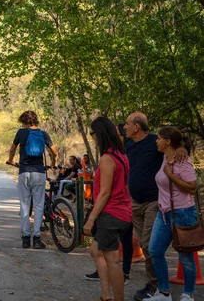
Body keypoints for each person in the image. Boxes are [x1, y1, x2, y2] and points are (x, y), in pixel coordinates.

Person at [124, 112, 188, 300]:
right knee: (145, 245)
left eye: (127, 124)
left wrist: (182, 149)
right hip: (135, 202)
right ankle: (158, 284)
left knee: (149, 244)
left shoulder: (155, 142)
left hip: (153, 202)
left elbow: (173, 149)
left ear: (136, 126)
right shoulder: (129, 146)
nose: (124, 127)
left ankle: (155, 286)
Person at [83, 116, 132, 301]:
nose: (92, 137)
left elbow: (104, 193)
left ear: (99, 134)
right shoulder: (121, 155)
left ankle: (115, 299)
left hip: (112, 214)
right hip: (122, 212)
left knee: (112, 260)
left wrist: (91, 219)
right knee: (96, 251)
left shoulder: (107, 158)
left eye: (92, 133)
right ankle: (105, 296)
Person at [148, 126, 198, 301]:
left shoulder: (182, 160)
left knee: (185, 256)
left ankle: (188, 294)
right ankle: (164, 293)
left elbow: (192, 188)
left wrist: (170, 175)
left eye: (159, 138)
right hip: (164, 213)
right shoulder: (165, 156)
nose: (157, 140)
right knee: (155, 250)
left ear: (167, 142)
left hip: (182, 212)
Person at [6, 110, 58, 249]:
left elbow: (12, 149)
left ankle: (25, 238)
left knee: (24, 205)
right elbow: (54, 152)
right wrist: (53, 163)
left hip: (24, 173)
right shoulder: (43, 133)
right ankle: (36, 239)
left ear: (23, 121)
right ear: (35, 120)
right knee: (39, 205)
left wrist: (10, 160)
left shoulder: (21, 133)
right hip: (39, 173)